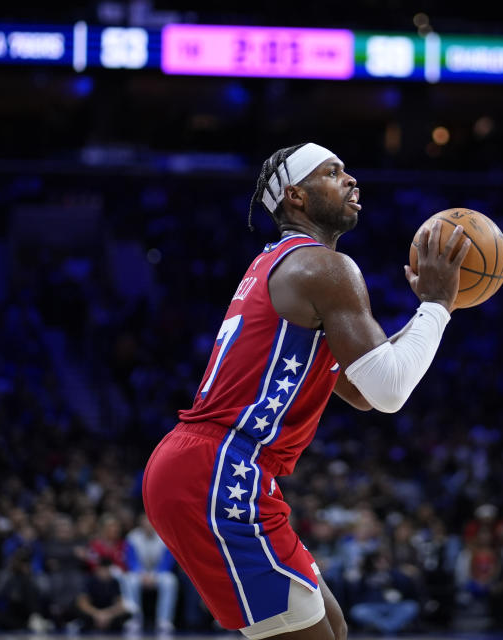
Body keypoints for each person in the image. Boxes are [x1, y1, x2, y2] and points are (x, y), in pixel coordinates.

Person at [142, 142, 469, 640]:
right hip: (220, 471)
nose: (352, 179)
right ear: (295, 195)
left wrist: (433, 309)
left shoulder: (282, 263)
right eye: (334, 172)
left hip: (215, 467)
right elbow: (390, 391)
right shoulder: (326, 268)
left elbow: (364, 390)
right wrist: (437, 307)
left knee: (332, 627)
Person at [122, 514, 178, 633]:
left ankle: (164, 620)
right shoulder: (132, 537)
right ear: (141, 524)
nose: (148, 525)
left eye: (150, 522)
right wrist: (141, 573)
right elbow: (131, 560)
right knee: (129, 580)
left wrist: (155, 575)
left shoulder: (164, 535)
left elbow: (167, 560)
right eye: (145, 522)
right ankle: (135, 619)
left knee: (170, 581)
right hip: (139, 573)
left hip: (158, 573)